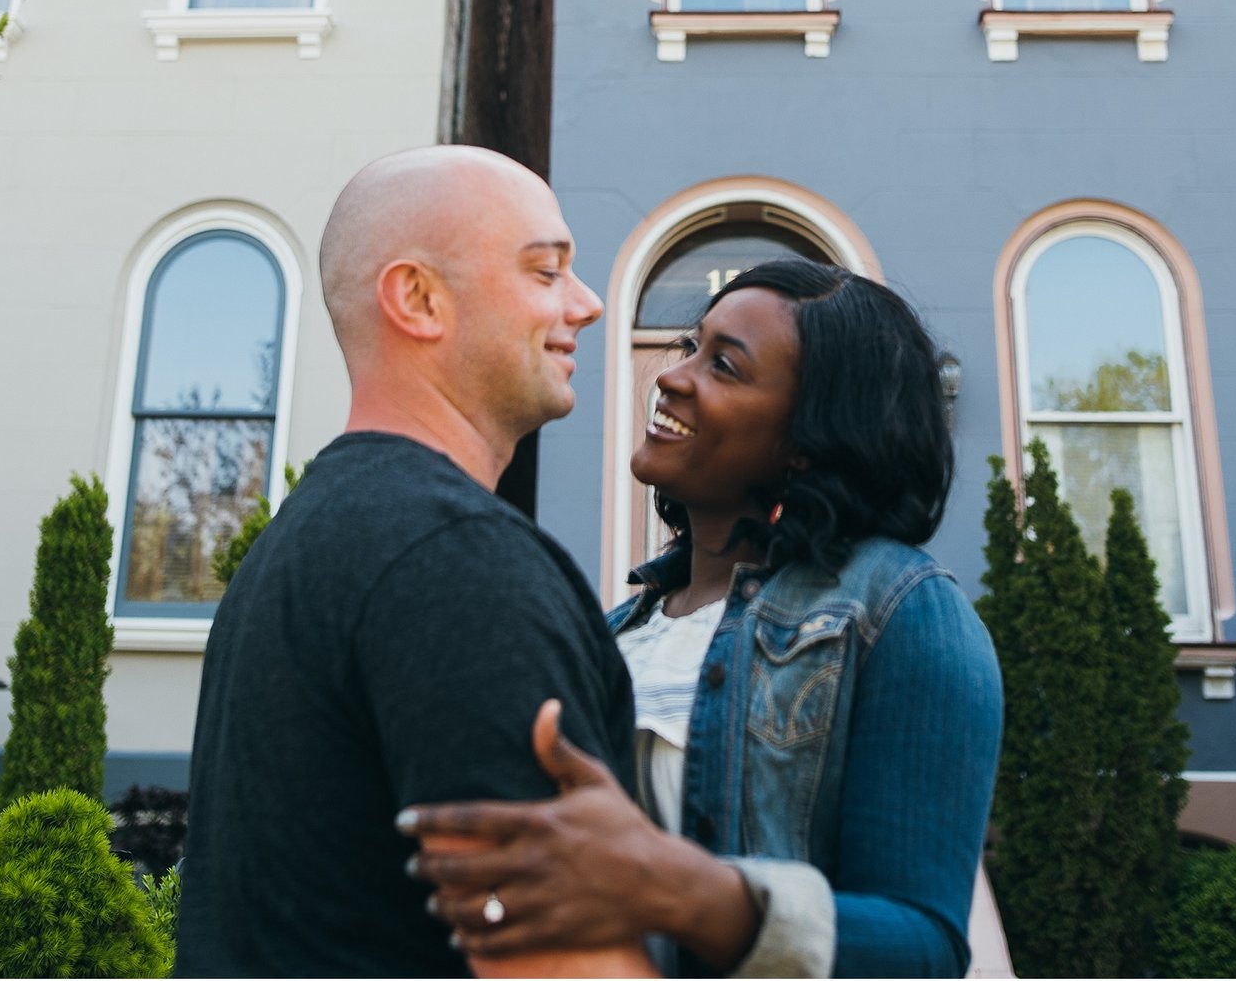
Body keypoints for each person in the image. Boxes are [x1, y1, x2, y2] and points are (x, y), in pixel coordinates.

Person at [172, 147, 808, 976]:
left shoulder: (296, 546)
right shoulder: (458, 565)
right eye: (545, 273)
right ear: (419, 299)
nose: (583, 306)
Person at [403, 259, 1006, 978]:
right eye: (692, 347)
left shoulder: (902, 614)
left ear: (806, 440)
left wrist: (682, 893)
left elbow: (923, 950)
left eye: (725, 365)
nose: (673, 376)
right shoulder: (614, 632)